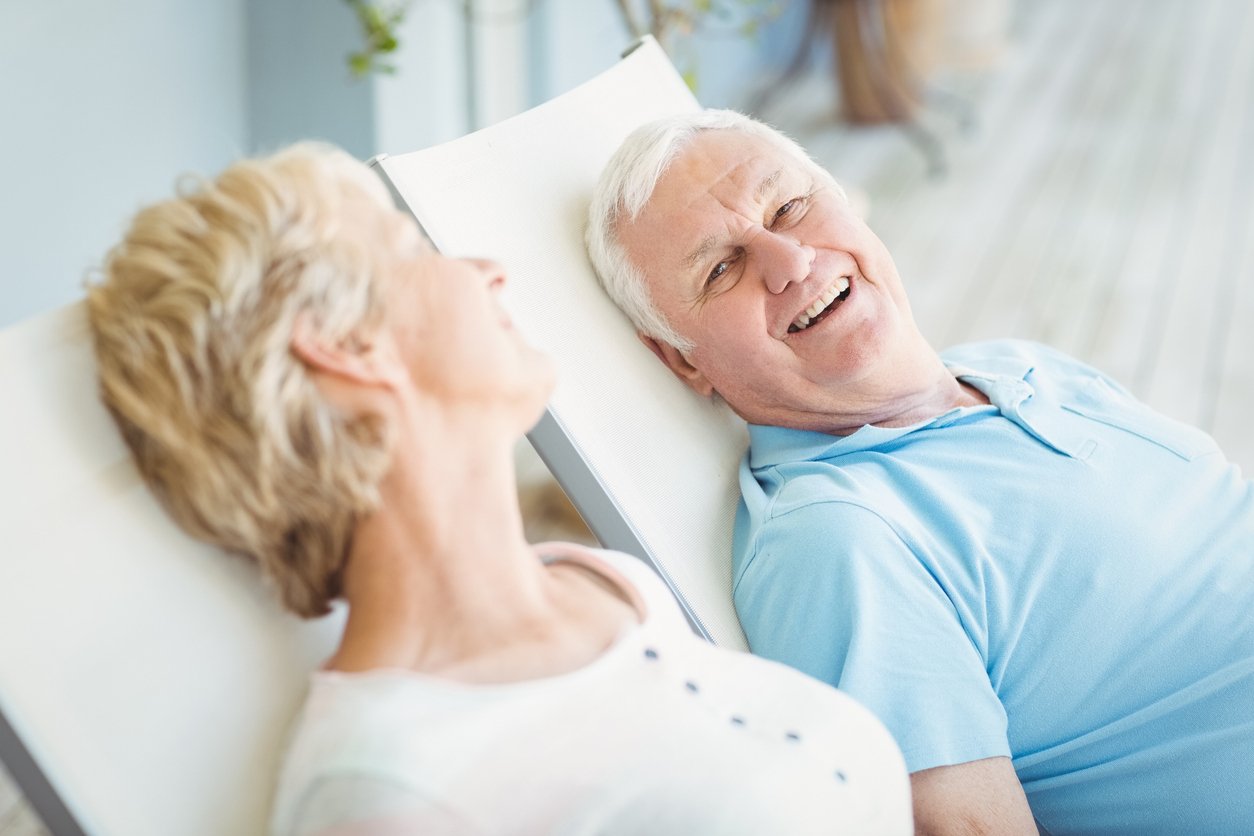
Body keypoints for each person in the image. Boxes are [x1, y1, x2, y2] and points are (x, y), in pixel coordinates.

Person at [85, 143, 911, 835]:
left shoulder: (606, 587)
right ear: (346, 347)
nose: (486, 271)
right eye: (411, 252)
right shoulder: (392, 792)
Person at [586, 109, 1254, 836]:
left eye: (790, 207)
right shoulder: (840, 539)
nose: (791, 262)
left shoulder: (1015, 364)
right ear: (684, 360)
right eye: (722, 269)